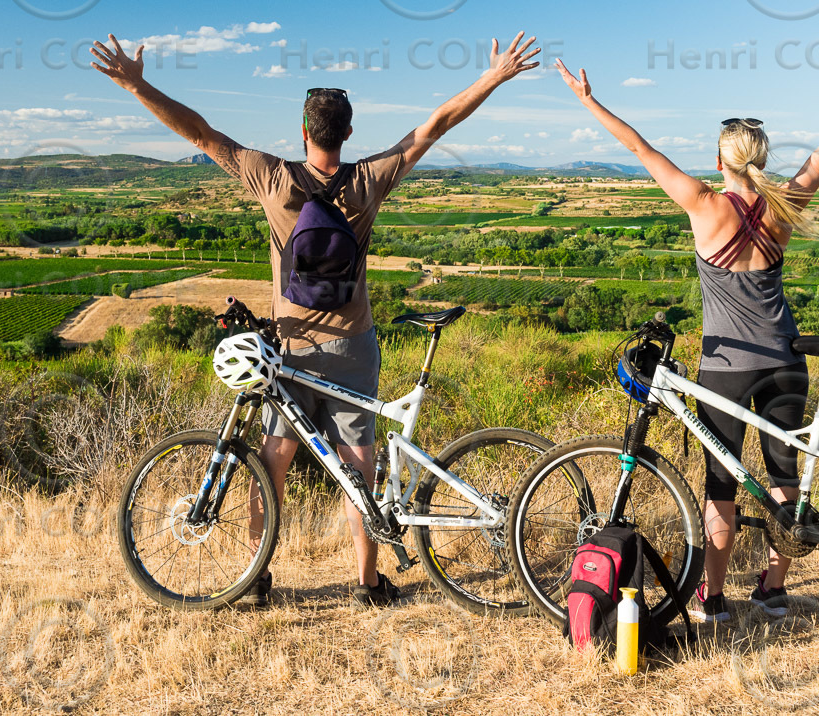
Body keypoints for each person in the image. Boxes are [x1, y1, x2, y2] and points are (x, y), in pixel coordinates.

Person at [91, 32, 542, 606]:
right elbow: (435, 125)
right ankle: (368, 582)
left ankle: (254, 580)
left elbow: (199, 132)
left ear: (304, 131)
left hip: (290, 347)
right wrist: (495, 76)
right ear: (348, 132)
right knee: (359, 469)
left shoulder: (273, 178)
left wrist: (135, 83)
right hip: (354, 344)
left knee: (269, 464)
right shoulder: (367, 179)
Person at [554, 46, 819, 623]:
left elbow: (639, 149)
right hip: (785, 359)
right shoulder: (785, 203)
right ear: (764, 159)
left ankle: (714, 598)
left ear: (718, 160)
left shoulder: (703, 204)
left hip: (725, 367)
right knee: (782, 477)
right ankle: (772, 590)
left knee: (721, 485)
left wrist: (589, 100)